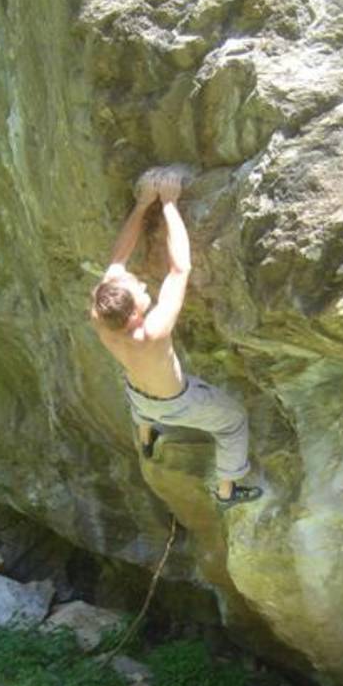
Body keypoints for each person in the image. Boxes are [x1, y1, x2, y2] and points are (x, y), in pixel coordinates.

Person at [90, 168, 262, 507]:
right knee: (233, 421)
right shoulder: (152, 331)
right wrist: (169, 203)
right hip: (177, 402)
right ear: (135, 316)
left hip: (138, 391)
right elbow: (180, 268)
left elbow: (117, 260)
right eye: (140, 292)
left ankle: (147, 438)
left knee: (142, 403)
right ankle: (227, 492)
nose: (142, 285)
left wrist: (142, 205)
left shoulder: (101, 314)